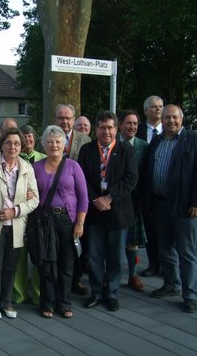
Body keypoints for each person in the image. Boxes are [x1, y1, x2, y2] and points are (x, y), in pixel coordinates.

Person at [146, 104, 197, 313]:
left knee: (186, 252)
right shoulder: (156, 141)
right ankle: (171, 284)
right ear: (161, 120)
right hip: (160, 204)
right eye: (166, 118)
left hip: (185, 207)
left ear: (182, 119)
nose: (170, 121)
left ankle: (190, 294)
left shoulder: (195, 141)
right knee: (165, 249)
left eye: (174, 117)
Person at [78, 111, 138, 312]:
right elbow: (82, 178)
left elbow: (131, 179)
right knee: (94, 255)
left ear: (117, 128)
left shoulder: (126, 150)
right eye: (102, 127)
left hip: (117, 211)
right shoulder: (86, 150)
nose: (106, 131)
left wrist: (109, 197)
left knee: (115, 255)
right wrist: (96, 198)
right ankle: (95, 291)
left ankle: (111, 293)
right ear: (96, 129)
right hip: (94, 211)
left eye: (110, 127)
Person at [0, 128, 39, 320]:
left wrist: (14, 211)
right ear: (2, 144)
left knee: (10, 267)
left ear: (21, 146)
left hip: (16, 225)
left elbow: (35, 199)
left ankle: (7, 302)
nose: (13, 146)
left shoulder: (26, 168)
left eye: (16, 143)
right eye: (8, 142)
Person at [32, 125, 88, 318]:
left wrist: (80, 223)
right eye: (49, 142)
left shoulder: (73, 166)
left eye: (57, 141)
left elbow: (83, 197)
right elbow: (31, 194)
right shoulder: (36, 167)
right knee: (46, 262)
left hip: (67, 220)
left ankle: (64, 303)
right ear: (44, 145)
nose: (54, 145)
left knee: (66, 263)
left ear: (64, 144)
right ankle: (47, 303)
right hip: (44, 220)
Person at [54, 104, 91, 295]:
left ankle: (75, 281)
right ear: (55, 119)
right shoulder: (47, 139)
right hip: (53, 203)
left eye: (68, 118)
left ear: (73, 119)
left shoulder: (85, 141)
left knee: (75, 246)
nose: (65, 121)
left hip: (76, 202)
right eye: (61, 118)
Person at [13, 124, 46, 305]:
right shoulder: (14, 160)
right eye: (24, 137)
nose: (28, 140)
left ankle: (38, 294)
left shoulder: (43, 159)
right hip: (19, 212)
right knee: (19, 256)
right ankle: (19, 294)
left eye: (31, 136)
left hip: (39, 212)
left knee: (39, 255)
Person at [118, 110, 149, 292]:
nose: (132, 127)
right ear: (120, 125)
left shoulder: (144, 146)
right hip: (115, 202)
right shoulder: (111, 145)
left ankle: (132, 275)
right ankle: (110, 274)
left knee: (132, 242)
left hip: (134, 202)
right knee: (113, 241)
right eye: (128, 123)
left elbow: (146, 176)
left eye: (135, 124)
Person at [137, 95, 164, 278]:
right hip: (141, 190)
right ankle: (153, 264)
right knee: (149, 230)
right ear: (146, 110)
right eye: (154, 107)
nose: (158, 109)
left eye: (161, 106)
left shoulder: (170, 132)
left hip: (163, 192)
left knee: (165, 232)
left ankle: (166, 266)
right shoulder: (136, 131)